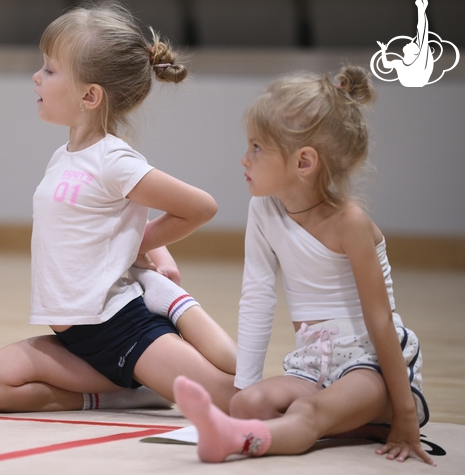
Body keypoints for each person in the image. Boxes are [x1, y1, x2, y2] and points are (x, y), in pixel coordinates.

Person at [0, 0, 236, 413]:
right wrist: (144, 246)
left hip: (123, 328)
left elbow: (201, 207)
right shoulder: (64, 155)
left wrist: (143, 244)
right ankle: (127, 394)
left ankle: (172, 305)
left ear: (90, 95)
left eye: (50, 70)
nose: (36, 77)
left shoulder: (114, 160)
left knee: (238, 399)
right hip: (81, 338)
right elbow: (113, 220)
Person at [173, 65, 434, 465]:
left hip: (372, 365)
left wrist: (406, 414)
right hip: (314, 363)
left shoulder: (351, 223)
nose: (244, 158)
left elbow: (380, 320)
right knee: (248, 404)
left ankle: (236, 439)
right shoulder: (263, 209)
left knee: (307, 414)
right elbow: (257, 295)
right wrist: (244, 387)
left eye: (257, 148)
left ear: (304, 161)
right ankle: (305, 422)